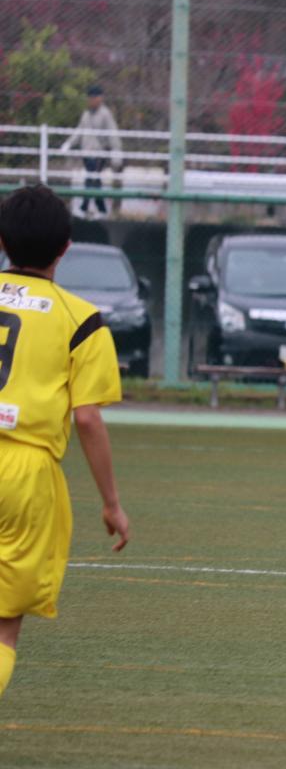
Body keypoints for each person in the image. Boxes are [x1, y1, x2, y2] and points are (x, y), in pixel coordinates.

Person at [0, 185, 131, 698]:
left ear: (2, 241)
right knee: (4, 623)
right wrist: (112, 503)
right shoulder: (81, 319)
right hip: (25, 473)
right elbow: (88, 420)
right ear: (66, 247)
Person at [60, 86, 122, 219]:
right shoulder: (86, 114)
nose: (91, 100)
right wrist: (69, 143)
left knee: (91, 179)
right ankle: (101, 209)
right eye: (90, 98)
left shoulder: (105, 114)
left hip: (99, 153)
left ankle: (85, 208)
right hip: (86, 153)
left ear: (100, 98)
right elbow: (79, 131)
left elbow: (113, 133)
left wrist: (116, 151)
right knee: (94, 180)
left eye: (94, 97)